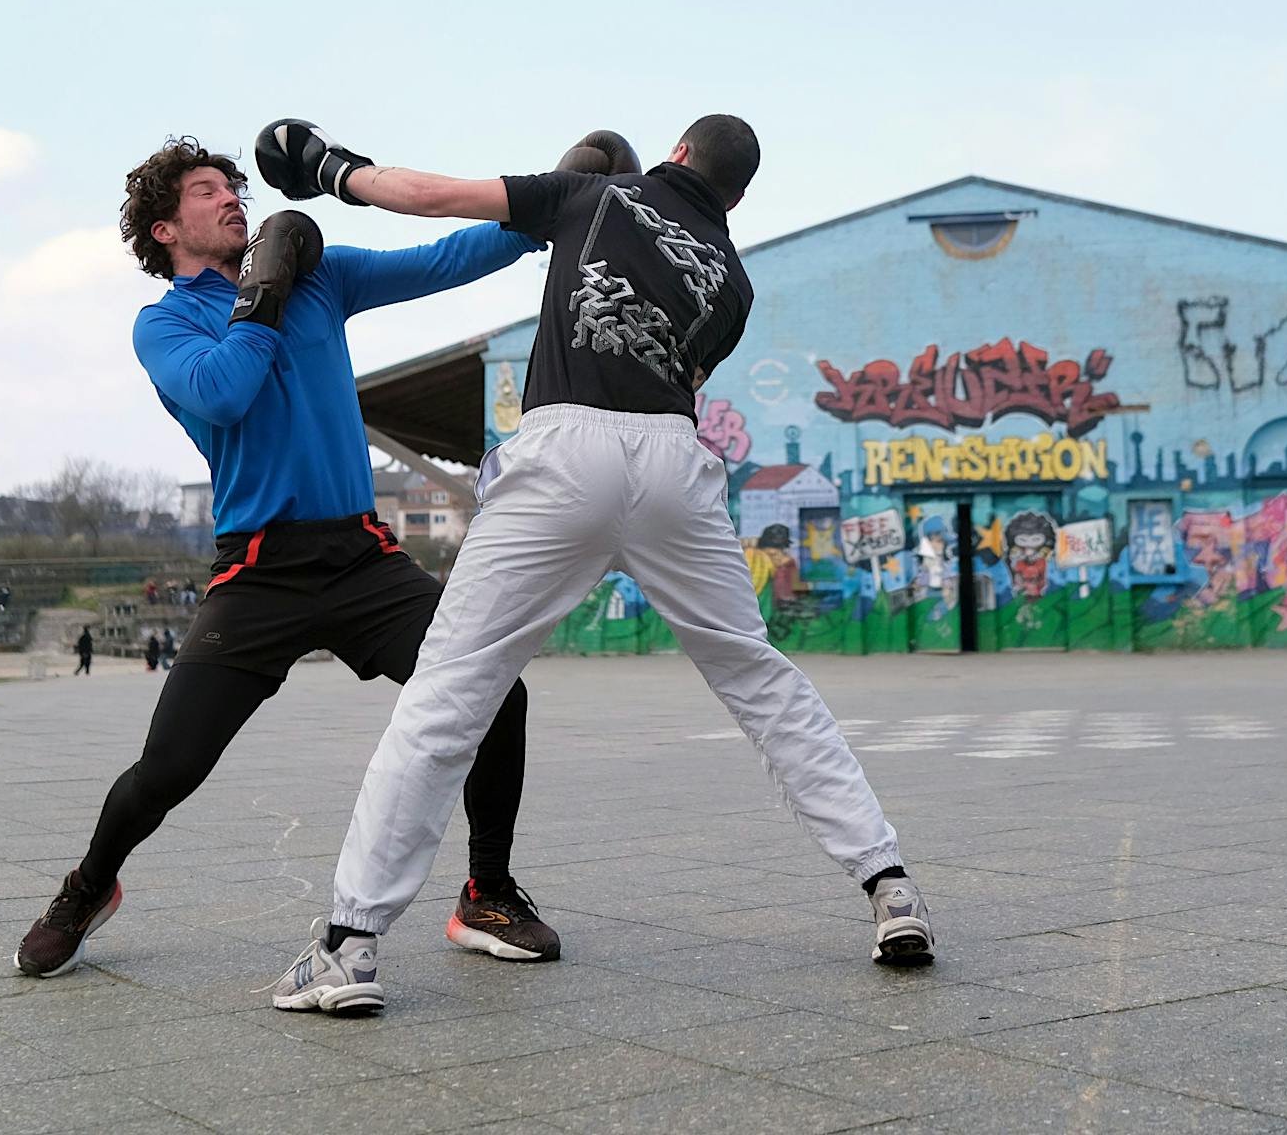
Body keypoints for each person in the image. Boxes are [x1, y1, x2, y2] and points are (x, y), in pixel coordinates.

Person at [260, 115, 933, 1018]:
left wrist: (326, 168)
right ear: (734, 196)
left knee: (449, 692)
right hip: (672, 461)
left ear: (680, 153)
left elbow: (425, 195)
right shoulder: (733, 283)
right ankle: (888, 885)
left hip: (565, 449)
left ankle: (348, 947)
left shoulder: (594, 192)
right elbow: (675, 377)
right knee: (758, 678)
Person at [14, 135, 560, 985]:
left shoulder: (324, 277)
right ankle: (87, 888)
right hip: (258, 572)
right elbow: (224, 394)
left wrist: (545, 206)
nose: (232, 197)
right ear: (165, 229)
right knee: (168, 769)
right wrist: (263, 293)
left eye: (235, 185)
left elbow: (448, 254)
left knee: (496, 693)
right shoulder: (164, 324)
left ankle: (487, 893)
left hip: (362, 557)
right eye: (207, 191)